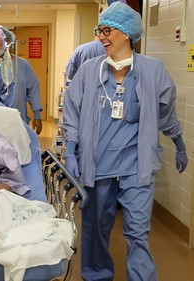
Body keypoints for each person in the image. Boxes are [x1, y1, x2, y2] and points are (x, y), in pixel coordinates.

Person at [61, 2, 188, 281]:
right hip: (97, 165)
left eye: (107, 30)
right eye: (100, 30)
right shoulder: (88, 72)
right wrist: (70, 152)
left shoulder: (153, 71)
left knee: (138, 232)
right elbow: (71, 113)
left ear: (127, 33)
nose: (101, 36)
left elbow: (166, 112)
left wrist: (179, 143)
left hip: (136, 167)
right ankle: (96, 275)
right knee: (95, 229)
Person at [0, 26, 43, 135]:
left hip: (18, 119)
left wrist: (37, 115)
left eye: (6, 41)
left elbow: (33, 89)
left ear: (10, 43)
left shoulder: (22, 65)